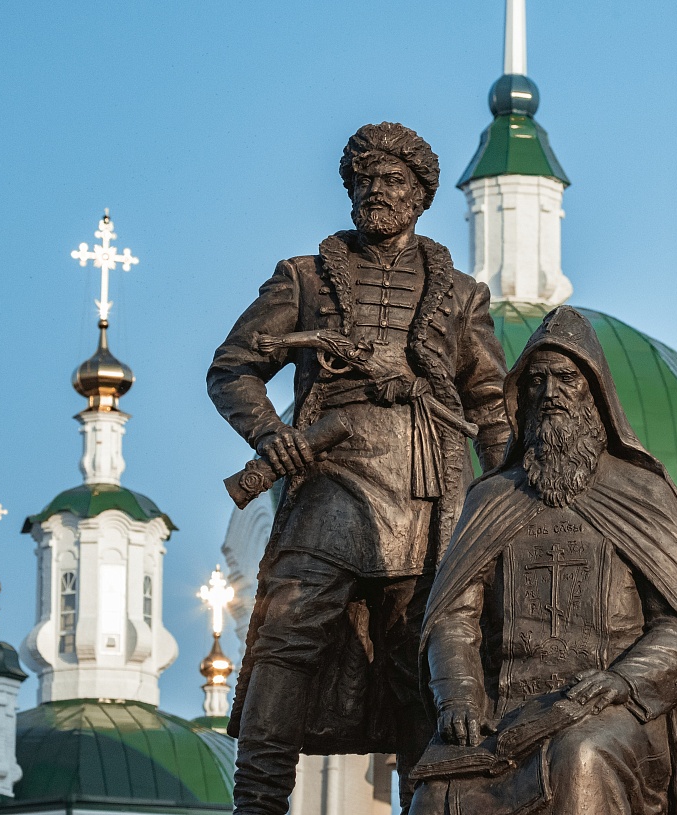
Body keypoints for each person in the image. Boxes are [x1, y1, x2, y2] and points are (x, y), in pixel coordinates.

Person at [208, 122, 510, 815]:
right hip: (330, 477)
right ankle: (257, 804)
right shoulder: (304, 278)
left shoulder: (462, 295)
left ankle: (425, 804)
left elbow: (491, 405)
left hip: (427, 488)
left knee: (419, 660)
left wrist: (508, 500)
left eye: (393, 180)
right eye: (364, 179)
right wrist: (272, 435)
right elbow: (233, 368)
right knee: (286, 637)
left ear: (421, 196)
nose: (377, 191)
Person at [409, 306, 677, 815]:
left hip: (611, 707)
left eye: (566, 379)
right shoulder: (492, 498)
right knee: (435, 793)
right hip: (506, 711)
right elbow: (454, 617)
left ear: (594, 392)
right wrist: (460, 695)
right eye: (537, 381)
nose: (551, 392)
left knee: (579, 757)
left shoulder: (642, 492)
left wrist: (623, 679)